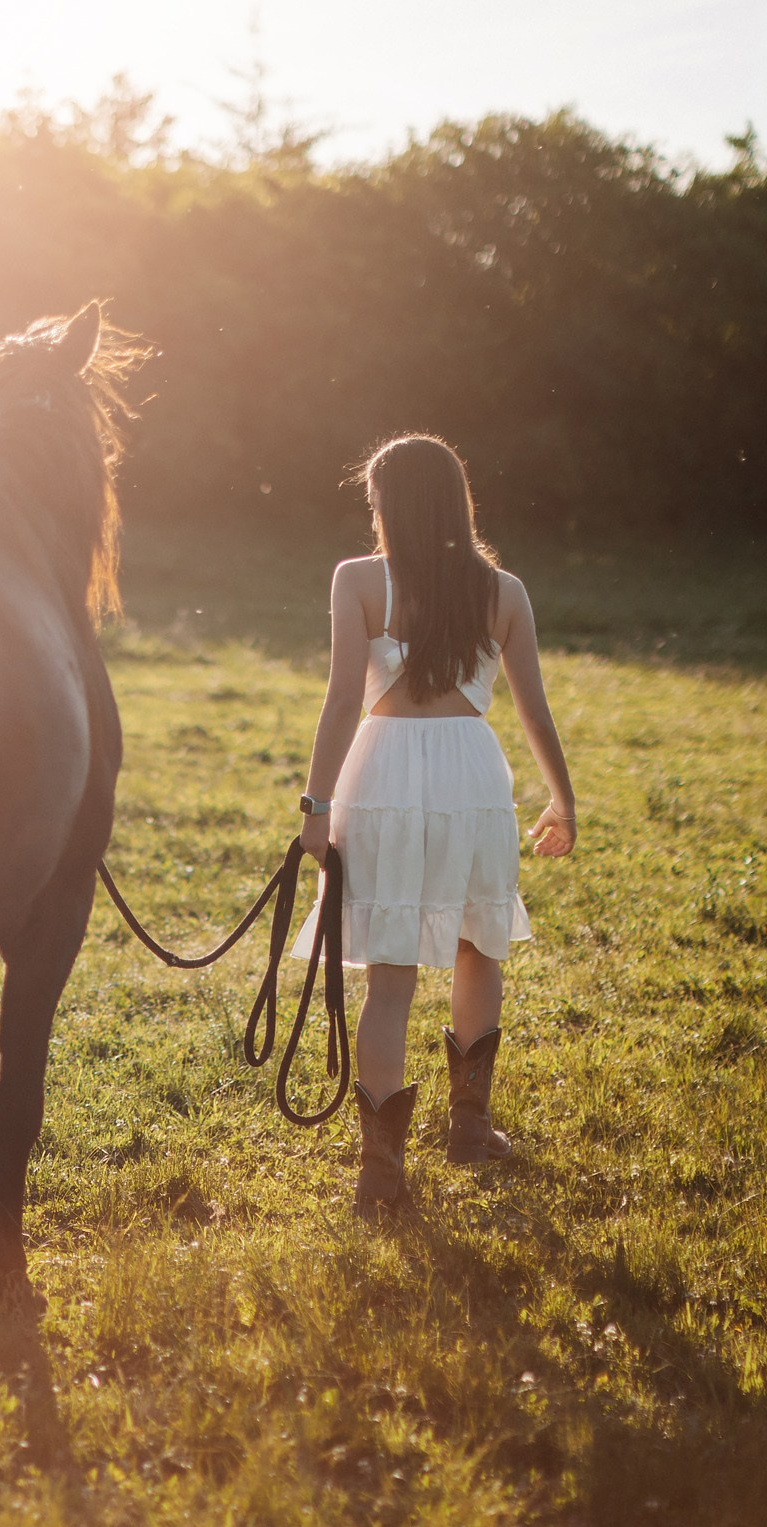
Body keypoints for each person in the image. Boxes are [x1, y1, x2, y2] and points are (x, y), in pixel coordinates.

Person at [292, 434, 575, 1210]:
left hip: (380, 773)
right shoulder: (505, 591)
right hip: (471, 776)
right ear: (457, 502)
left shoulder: (359, 580)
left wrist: (315, 808)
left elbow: (342, 701)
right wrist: (563, 798)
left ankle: (381, 1171)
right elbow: (535, 710)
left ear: (387, 505)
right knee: (477, 946)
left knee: (391, 978)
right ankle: (469, 1130)